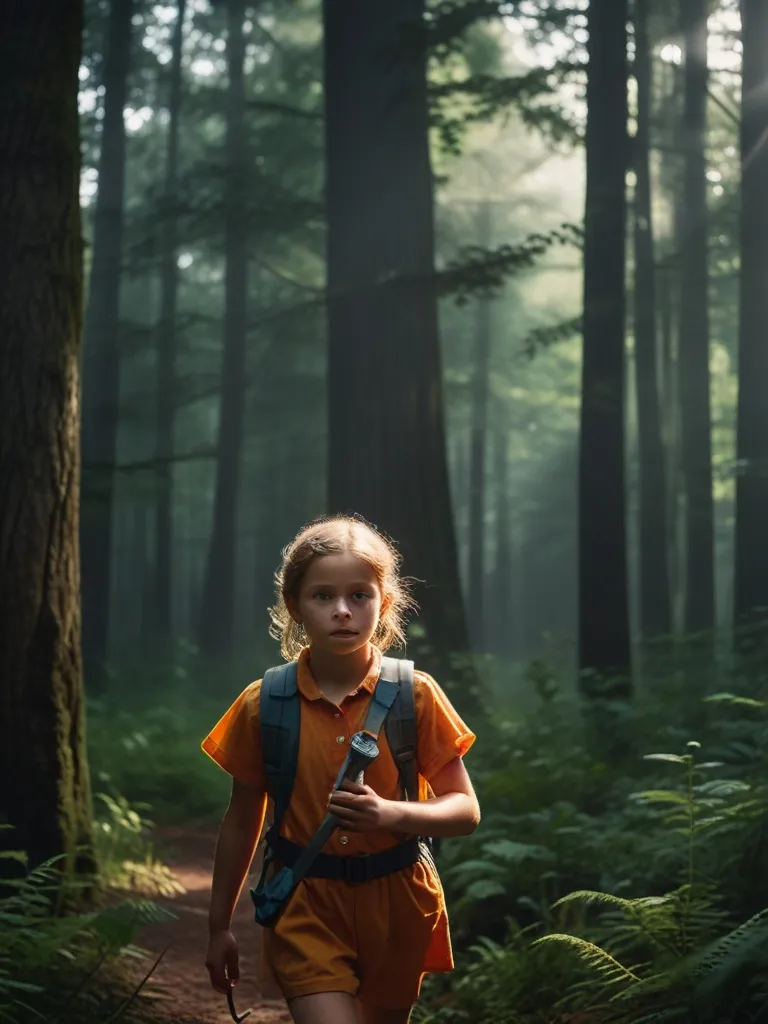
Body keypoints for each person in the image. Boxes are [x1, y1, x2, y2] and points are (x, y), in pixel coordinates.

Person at [202, 514, 480, 1024]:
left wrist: (390, 815)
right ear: (294, 605)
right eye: (323, 596)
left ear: (385, 602)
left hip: (398, 902)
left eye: (359, 596)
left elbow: (465, 810)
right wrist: (218, 926)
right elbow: (241, 821)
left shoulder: (416, 696)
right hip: (305, 903)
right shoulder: (263, 703)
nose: (343, 611)